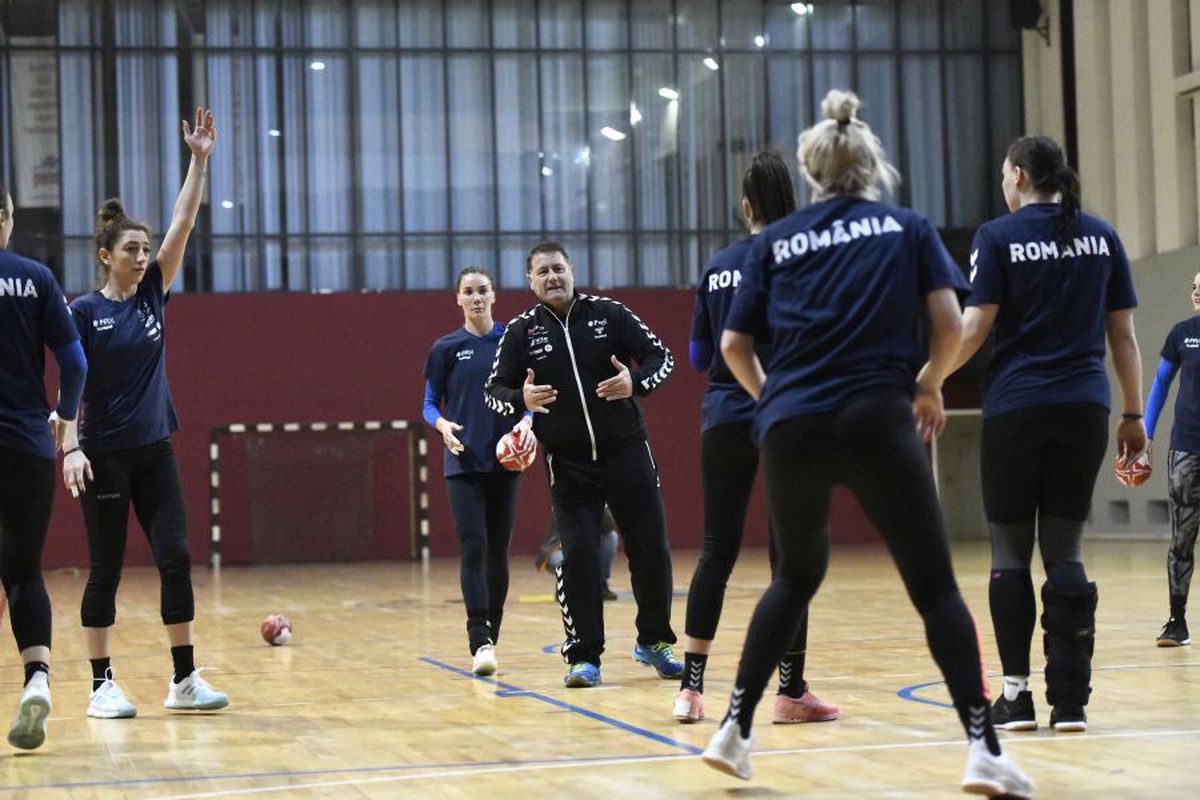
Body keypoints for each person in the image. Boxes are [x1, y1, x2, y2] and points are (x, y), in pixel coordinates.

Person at [701, 90, 1032, 798]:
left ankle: (732, 731)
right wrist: (929, 385)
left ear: (812, 173)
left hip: (790, 425)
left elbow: (730, 345)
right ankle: (983, 750)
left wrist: (771, 402)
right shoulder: (906, 227)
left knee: (793, 578)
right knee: (935, 588)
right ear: (872, 166)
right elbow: (951, 324)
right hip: (874, 414)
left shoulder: (773, 242)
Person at [945, 134, 1143, 735]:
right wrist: (1134, 415)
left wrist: (928, 379)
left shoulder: (996, 237)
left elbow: (975, 328)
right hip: (1085, 408)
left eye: (1005, 173)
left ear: (1019, 176)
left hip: (1016, 408)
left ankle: (1016, 697)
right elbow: (1124, 338)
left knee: (1010, 553)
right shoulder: (1102, 236)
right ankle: (1072, 704)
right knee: (1065, 552)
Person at [61, 107, 229, 719]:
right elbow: (70, 381)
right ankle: (100, 685)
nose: (142, 255)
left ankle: (184, 680)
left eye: (144, 248)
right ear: (106, 255)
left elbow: (184, 221)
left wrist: (199, 160)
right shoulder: (83, 312)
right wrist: (70, 445)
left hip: (155, 450)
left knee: (176, 558)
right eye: (130, 248)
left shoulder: (153, 293)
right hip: (104, 456)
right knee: (105, 569)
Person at [675, 151, 838, 726]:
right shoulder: (803, 257)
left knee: (716, 551)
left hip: (723, 415)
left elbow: (699, 356)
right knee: (790, 556)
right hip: (785, 416)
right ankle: (790, 692)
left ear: (745, 207)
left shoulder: (719, 266)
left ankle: (690, 690)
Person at [484, 241, 681, 688]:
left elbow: (662, 358)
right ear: (530, 281)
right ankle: (584, 658)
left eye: (558, 268)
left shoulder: (609, 314)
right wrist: (521, 399)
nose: (552, 277)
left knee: (651, 549)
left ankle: (654, 640)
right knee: (578, 558)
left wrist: (636, 382)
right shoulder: (521, 332)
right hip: (570, 465)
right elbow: (493, 392)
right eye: (542, 272)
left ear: (572, 270)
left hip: (628, 452)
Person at [0, 184, 88, 749]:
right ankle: (37, 677)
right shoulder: (36, 278)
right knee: (23, 571)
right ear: (4, 217)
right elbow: (75, 364)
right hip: (27, 445)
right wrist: (65, 417)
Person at [423, 266, 533, 676]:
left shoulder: (512, 341)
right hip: (463, 461)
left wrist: (527, 422)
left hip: (506, 459)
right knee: (473, 546)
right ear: (458, 298)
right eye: (468, 291)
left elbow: (528, 397)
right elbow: (429, 403)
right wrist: (441, 425)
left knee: (497, 551)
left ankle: (492, 635)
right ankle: (479, 638)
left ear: (494, 295)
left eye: (482, 290)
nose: (476, 298)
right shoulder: (445, 347)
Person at [1142, 274, 1200, 647]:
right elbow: (1161, 383)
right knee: (1182, 537)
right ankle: (1176, 622)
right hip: (1186, 449)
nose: (1196, 292)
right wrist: (1145, 433)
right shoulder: (1182, 333)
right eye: (1193, 286)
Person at [535, 505, 619, 602]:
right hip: (559, 549)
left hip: (584, 549)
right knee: (574, 561)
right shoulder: (565, 498)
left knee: (611, 537)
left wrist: (602, 506)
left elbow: (609, 527)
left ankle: (600, 585)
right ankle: (565, 588)